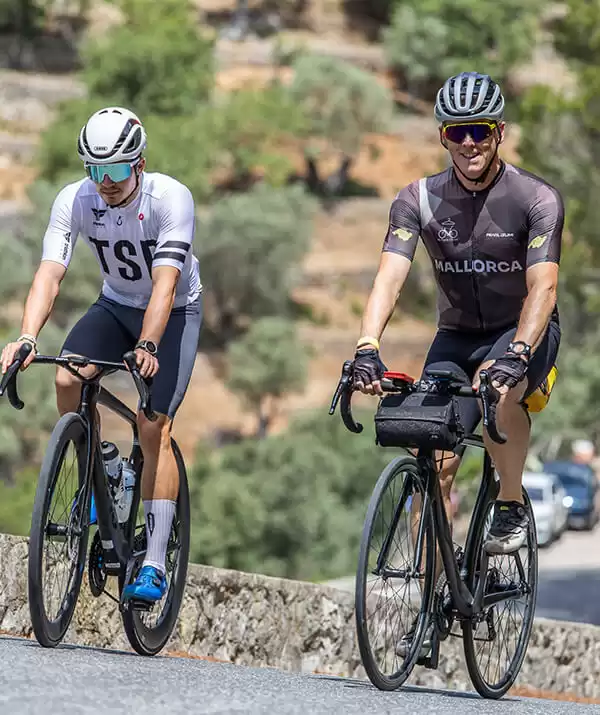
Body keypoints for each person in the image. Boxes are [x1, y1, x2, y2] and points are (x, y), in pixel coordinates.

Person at [351, 72, 563, 654]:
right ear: (442, 136)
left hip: (522, 331)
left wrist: (518, 354)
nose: (469, 143)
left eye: (480, 131)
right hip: (455, 336)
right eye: (456, 133)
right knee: (434, 459)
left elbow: (543, 288)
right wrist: (367, 344)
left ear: (500, 133)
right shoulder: (416, 199)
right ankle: (430, 604)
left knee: (498, 390)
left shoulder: (535, 199)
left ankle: (510, 504)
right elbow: (389, 276)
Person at [0, 106, 202, 604]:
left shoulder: (170, 198)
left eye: (116, 169)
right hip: (114, 305)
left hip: (174, 312)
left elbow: (165, 285)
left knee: (153, 426)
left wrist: (148, 345)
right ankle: (104, 466)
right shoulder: (75, 199)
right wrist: (26, 337)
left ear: (139, 163)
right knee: (68, 380)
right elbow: (50, 273)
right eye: (95, 169)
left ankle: (154, 561)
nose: (105, 181)